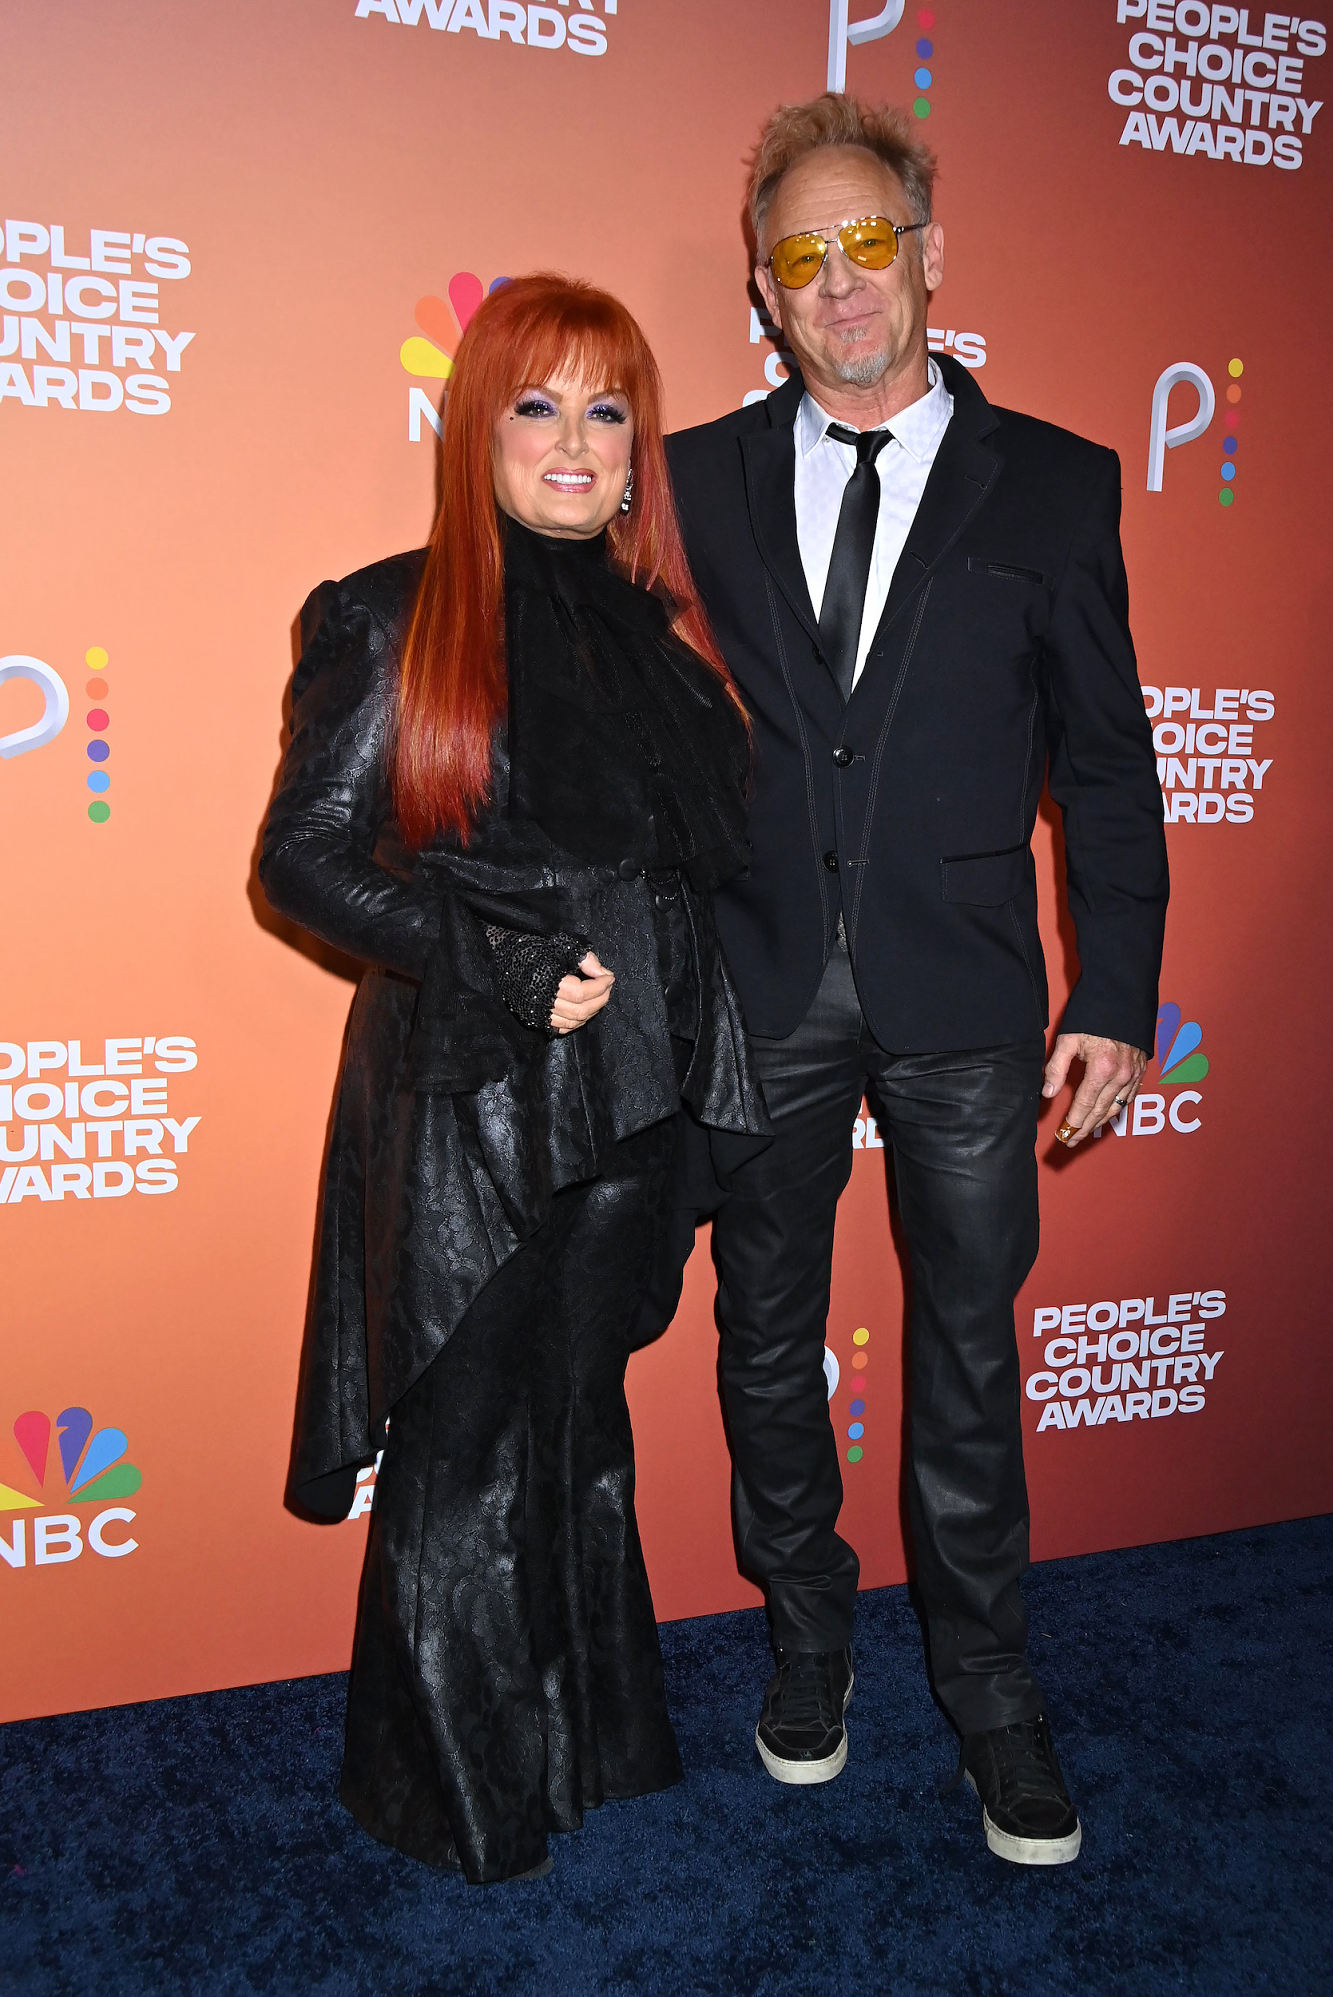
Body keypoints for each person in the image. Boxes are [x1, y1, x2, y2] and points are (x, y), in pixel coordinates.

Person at [666, 95, 1169, 1866]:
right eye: (799, 256)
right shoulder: (697, 479)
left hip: (967, 998)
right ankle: (809, 1646)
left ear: (929, 255)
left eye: (866, 240)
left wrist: (1115, 983)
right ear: (764, 288)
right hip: (763, 981)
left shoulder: (1061, 480)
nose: (838, 282)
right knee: (762, 1337)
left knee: (966, 1353)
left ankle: (993, 1694)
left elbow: (1105, 760)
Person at [258, 273, 767, 1885]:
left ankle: (586, 1748)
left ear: (639, 452)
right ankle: (450, 1794)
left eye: (607, 409)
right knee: (466, 1438)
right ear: (476, 428)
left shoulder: (673, 653)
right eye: (536, 404)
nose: (573, 439)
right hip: (477, 1105)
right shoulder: (392, 612)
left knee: (581, 1416)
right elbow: (306, 862)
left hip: (635, 1104)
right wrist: (509, 964)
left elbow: (692, 876)